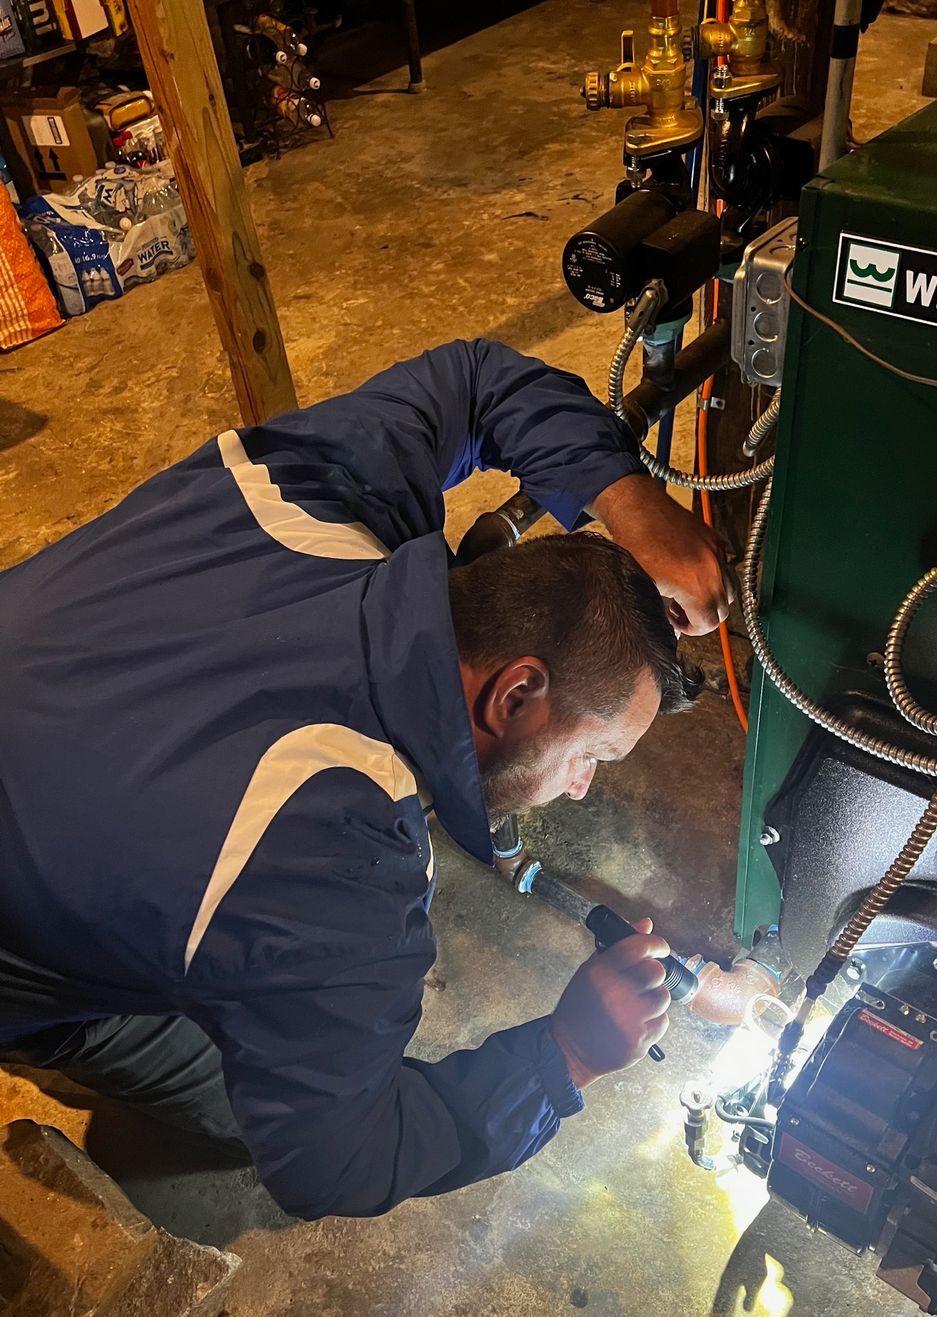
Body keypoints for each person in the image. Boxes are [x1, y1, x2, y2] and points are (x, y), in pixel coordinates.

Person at [0, 339, 730, 1219]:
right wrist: (567, 1055)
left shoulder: (296, 492)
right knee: (261, 1108)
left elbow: (474, 380)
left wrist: (629, 502)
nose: (582, 788)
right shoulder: (333, 878)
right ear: (518, 692)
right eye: (593, 756)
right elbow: (338, 1164)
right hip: (20, 956)